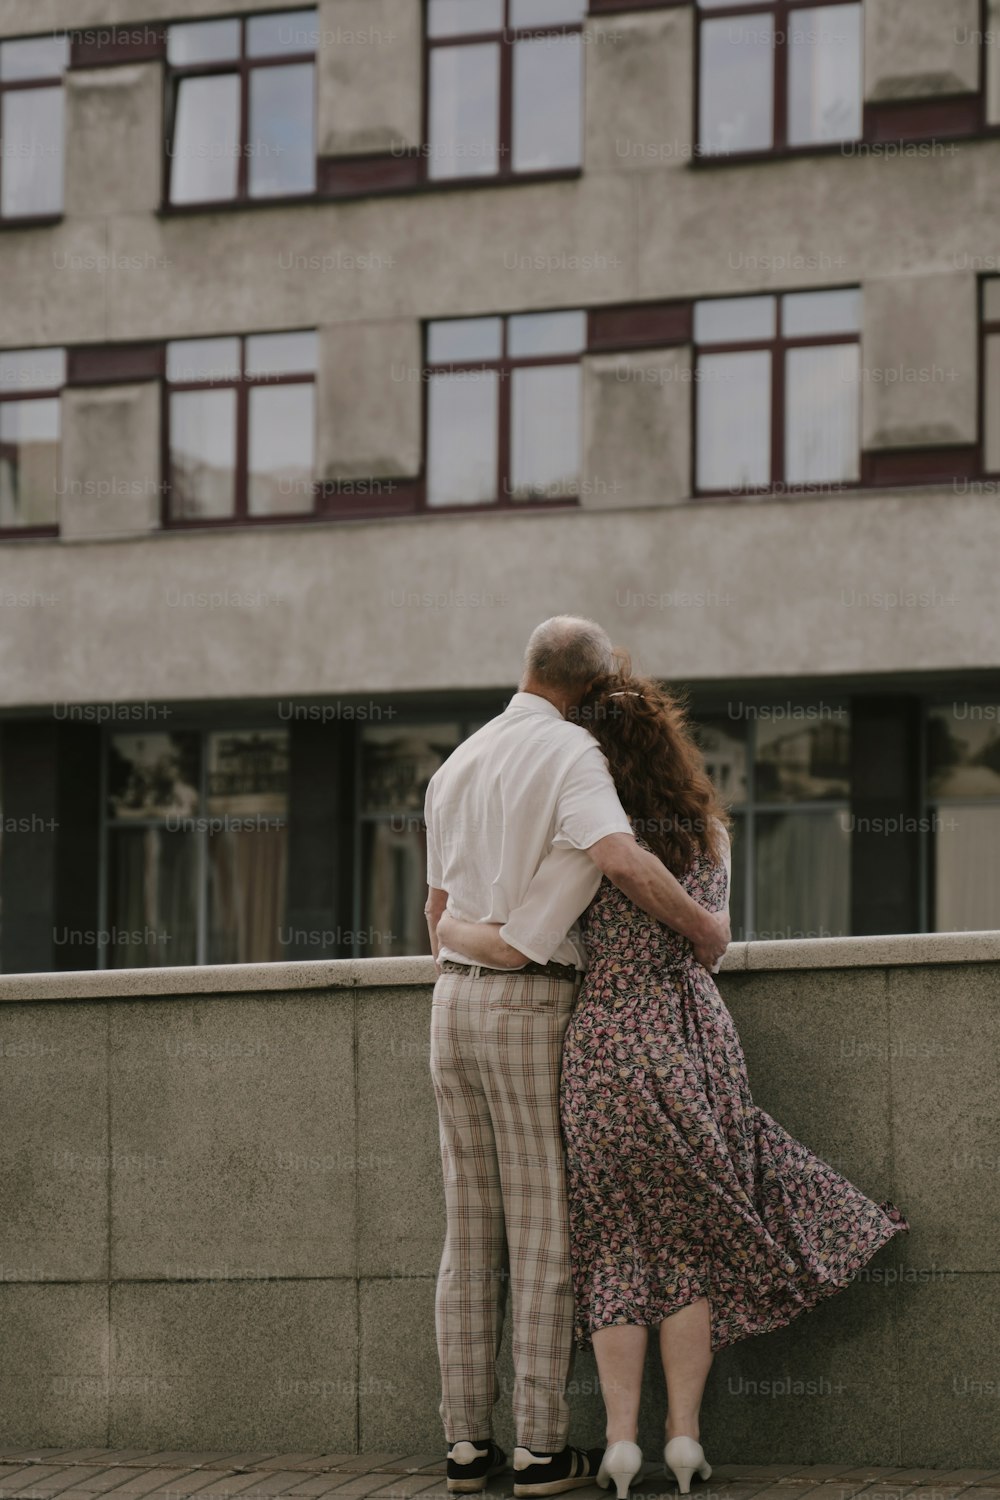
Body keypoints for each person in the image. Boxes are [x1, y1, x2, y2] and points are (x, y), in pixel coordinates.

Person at [439, 659, 909, 1499]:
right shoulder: (707, 835)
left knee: (613, 1248)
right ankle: (683, 1440)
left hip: (602, 1052)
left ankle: (616, 1447)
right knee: (688, 1250)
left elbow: (518, 939)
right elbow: (708, 934)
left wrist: (450, 929)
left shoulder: (589, 847)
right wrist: (707, 932)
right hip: (694, 1045)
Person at [423, 618, 730, 1496]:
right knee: (545, 1229)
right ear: (590, 691)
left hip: (449, 1004)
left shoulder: (458, 763)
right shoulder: (570, 754)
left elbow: (433, 915)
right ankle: (539, 1449)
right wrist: (704, 928)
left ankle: (462, 1447)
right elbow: (619, 856)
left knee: (469, 1232)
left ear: (527, 668)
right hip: (528, 1004)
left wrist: (463, 939)